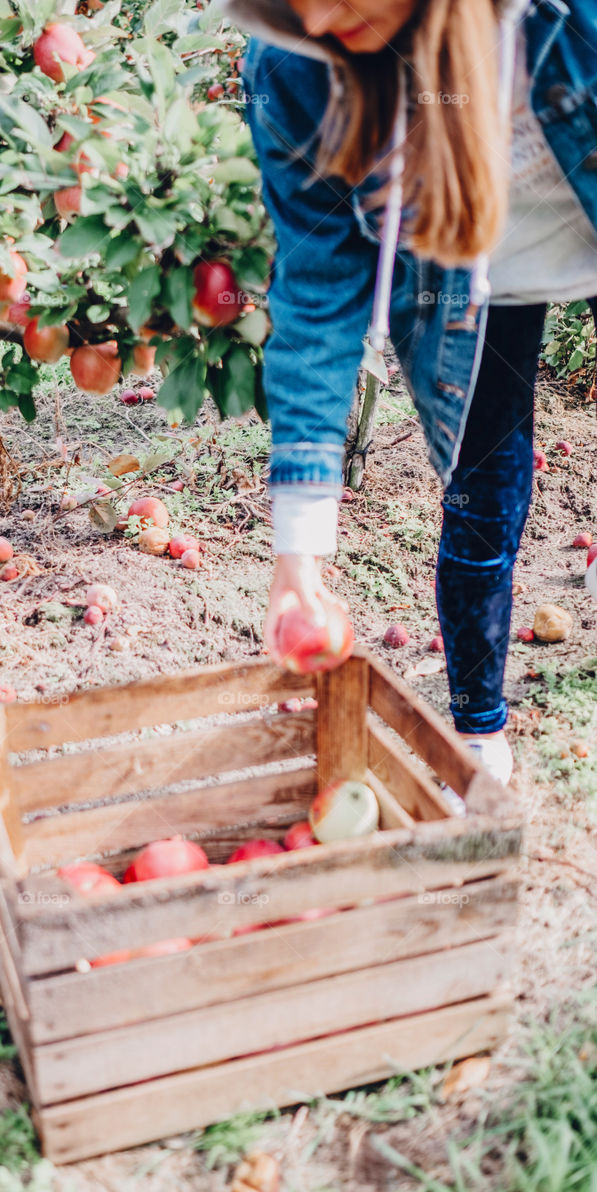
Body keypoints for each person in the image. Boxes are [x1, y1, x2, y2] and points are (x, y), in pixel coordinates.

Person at [218, 0, 597, 790]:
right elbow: (316, 295)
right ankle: (477, 731)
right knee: (484, 483)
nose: (315, 15)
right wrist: (296, 559)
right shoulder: (295, 68)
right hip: (475, 274)